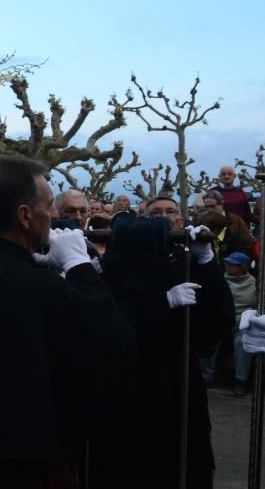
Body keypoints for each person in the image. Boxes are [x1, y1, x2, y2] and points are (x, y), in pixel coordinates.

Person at [0, 156, 134, 488]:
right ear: (25, 216)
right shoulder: (40, 286)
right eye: (48, 205)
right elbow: (115, 341)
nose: (54, 215)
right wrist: (78, 264)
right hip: (24, 459)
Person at [100, 197, 234, 489]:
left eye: (171, 212)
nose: (164, 218)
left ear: (181, 219)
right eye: (155, 213)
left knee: (186, 456)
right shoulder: (123, 260)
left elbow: (217, 319)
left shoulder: (189, 258)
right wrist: (162, 302)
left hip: (180, 375)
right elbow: (116, 314)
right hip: (137, 376)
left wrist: (206, 260)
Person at [222, 252, 257, 396]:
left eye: (233, 264)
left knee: (242, 341)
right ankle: (206, 377)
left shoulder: (254, 282)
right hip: (224, 317)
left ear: (242, 267)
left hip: (244, 320)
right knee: (208, 334)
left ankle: (240, 381)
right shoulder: (221, 280)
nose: (228, 265)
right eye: (228, 263)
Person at [200, 190, 255, 257]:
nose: (210, 210)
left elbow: (247, 243)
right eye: (207, 207)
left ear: (222, 203)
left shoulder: (236, 221)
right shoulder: (201, 221)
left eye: (212, 206)